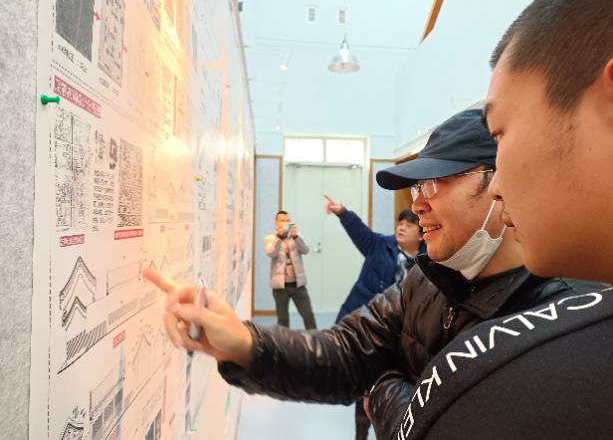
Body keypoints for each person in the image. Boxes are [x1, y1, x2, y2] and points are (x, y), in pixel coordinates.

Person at [142, 109, 601, 437]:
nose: (418, 205)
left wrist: (382, 388)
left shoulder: (567, 317)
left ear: (498, 180)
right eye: (416, 188)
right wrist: (243, 343)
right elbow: (347, 352)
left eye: (434, 184)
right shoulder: (424, 279)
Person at [368, 0, 613, 438]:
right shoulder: (427, 278)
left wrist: (382, 391)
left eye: (500, 133)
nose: (497, 187)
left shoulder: (566, 342)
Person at [323, 195, 424, 439]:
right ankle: (360, 433)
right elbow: (360, 232)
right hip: (369, 326)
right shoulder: (379, 245)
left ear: (421, 235)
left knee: (393, 387)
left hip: (403, 334)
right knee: (365, 383)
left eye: (409, 224)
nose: (401, 227)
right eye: (400, 223)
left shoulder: (429, 260)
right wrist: (342, 212)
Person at [263, 210, 316, 329]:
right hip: (280, 286)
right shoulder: (270, 238)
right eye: (282, 221)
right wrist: (278, 238)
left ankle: (315, 338)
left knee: (308, 315)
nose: (285, 223)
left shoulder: (297, 236)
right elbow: (271, 253)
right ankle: (284, 341)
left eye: (288, 221)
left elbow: (306, 250)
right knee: (283, 319)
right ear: (276, 222)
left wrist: (295, 237)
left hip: (298, 284)